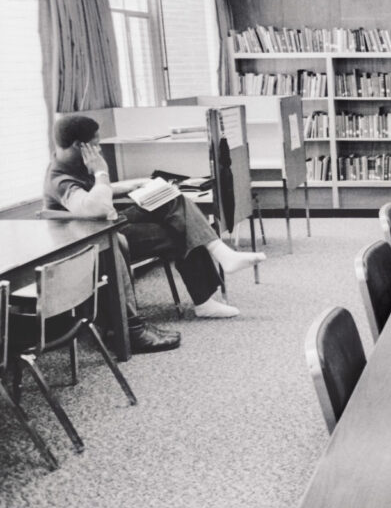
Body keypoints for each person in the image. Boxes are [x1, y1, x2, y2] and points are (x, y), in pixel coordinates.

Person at [44, 114, 266, 352]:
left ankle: (220, 256)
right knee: (180, 228)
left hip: (110, 225)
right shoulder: (60, 178)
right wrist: (101, 173)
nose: (98, 149)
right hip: (96, 241)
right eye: (96, 144)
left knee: (172, 198)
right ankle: (207, 293)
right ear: (80, 145)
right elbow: (95, 207)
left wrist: (125, 186)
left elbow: (94, 195)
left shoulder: (75, 162)